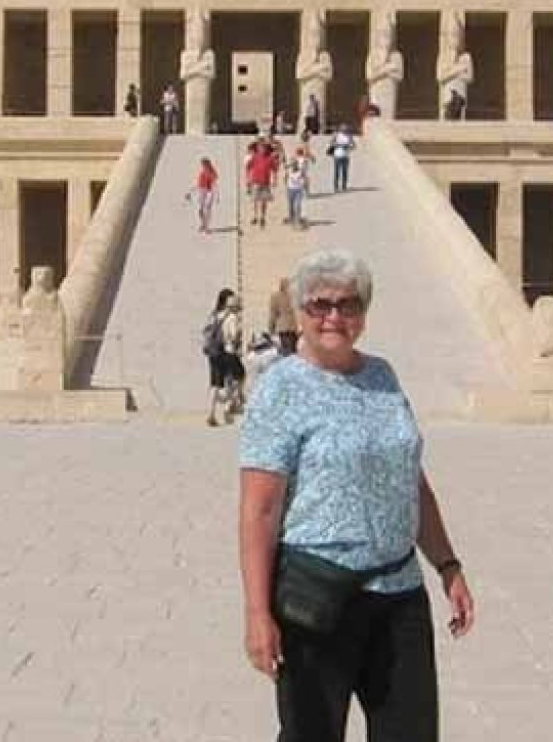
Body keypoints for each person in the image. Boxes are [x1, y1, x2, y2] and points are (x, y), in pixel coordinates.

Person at [239, 249, 475, 742]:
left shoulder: (382, 375)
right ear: (299, 312)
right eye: (320, 305)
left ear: (363, 314)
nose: (334, 317)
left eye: (348, 305)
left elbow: (410, 479)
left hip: (399, 593)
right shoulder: (280, 389)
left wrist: (448, 565)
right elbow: (260, 510)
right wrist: (258, 613)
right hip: (317, 596)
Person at [205, 289, 245, 427]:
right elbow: (233, 336)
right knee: (238, 377)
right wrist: (238, 335)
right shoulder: (232, 317)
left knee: (216, 383)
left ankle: (211, 413)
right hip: (228, 352)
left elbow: (207, 331)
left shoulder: (214, 315)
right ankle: (228, 407)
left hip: (213, 352)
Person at [267, 277, 299, 356]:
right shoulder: (293, 297)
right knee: (293, 352)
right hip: (292, 328)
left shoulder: (275, 297)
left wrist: (271, 329)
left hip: (283, 327)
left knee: (286, 352)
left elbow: (273, 314)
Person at [248, 139, 275, 228]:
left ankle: (262, 217)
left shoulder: (270, 158)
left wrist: (274, 180)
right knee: (255, 200)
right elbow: (249, 167)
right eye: (260, 147)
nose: (262, 149)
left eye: (263, 147)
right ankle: (255, 216)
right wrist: (248, 179)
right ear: (258, 148)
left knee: (264, 201)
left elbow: (274, 169)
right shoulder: (255, 156)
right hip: (255, 181)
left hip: (265, 182)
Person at [187, 157, 219, 233]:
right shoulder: (202, 173)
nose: (203, 166)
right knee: (200, 210)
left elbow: (215, 184)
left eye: (204, 164)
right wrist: (190, 192)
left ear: (207, 164)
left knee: (207, 209)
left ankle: (207, 226)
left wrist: (217, 196)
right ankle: (203, 224)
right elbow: (198, 184)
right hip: (202, 191)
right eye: (202, 165)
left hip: (209, 192)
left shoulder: (212, 173)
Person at [328, 123, 356, 192]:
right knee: (337, 172)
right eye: (343, 129)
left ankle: (344, 186)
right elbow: (331, 143)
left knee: (345, 172)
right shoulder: (336, 135)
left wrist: (349, 147)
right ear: (340, 129)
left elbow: (354, 145)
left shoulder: (349, 136)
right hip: (337, 155)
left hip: (346, 155)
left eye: (345, 129)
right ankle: (336, 187)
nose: (344, 130)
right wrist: (338, 145)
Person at [284, 158, 308, 229]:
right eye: (292, 164)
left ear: (297, 164)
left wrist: (305, 187)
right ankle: (291, 218)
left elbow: (305, 178)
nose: (293, 165)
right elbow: (285, 178)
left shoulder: (301, 171)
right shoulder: (288, 171)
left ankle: (298, 219)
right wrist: (287, 185)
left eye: (294, 164)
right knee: (291, 205)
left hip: (298, 190)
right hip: (290, 189)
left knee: (298, 205)